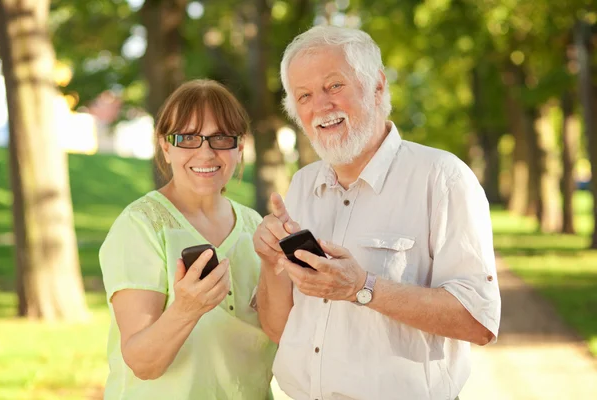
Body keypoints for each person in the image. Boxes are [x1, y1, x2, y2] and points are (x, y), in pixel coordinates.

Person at [253, 26, 501, 400]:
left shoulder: (442, 178)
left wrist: (363, 287)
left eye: (334, 86)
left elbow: (479, 322)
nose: (320, 106)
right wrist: (269, 262)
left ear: (378, 86)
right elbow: (280, 330)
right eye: (304, 95)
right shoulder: (302, 185)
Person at [99, 79, 276, 399]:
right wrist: (186, 309)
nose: (206, 152)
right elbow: (143, 363)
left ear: (239, 147)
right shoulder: (141, 226)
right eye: (188, 138)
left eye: (220, 137)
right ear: (166, 147)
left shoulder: (255, 226)